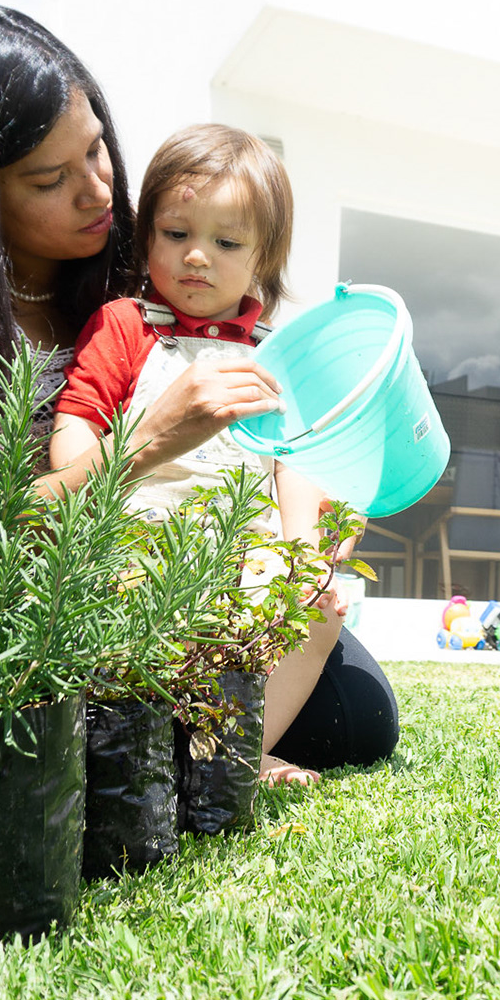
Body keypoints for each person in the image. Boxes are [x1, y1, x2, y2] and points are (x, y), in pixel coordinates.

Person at [0, 5, 397, 780]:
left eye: (96, 152)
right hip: (66, 587)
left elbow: (299, 447)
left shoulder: (156, 260)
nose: (97, 194)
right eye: (50, 178)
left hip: (221, 560)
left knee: (361, 715)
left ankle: (217, 754)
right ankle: (176, 755)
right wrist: (147, 442)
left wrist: (314, 538)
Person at [52, 123, 398, 777]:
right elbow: (79, 421)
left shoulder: (277, 350)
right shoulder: (127, 325)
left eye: (226, 241)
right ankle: (163, 746)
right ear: (147, 233)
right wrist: (80, 490)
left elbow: (293, 458)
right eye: (176, 234)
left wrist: (306, 552)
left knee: (315, 611)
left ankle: (240, 752)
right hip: (145, 540)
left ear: (262, 255)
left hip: (244, 545)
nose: (197, 257)